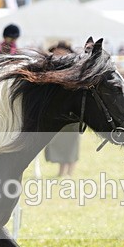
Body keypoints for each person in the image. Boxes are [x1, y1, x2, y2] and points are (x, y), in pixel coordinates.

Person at [44, 41, 80, 176]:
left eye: (60, 53)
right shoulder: (51, 70)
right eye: (55, 54)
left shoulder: (75, 69)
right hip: (57, 112)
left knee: (71, 144)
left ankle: (69, 173)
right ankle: (61, 172)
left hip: (73, 112)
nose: (57, 56)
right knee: (59, 142)